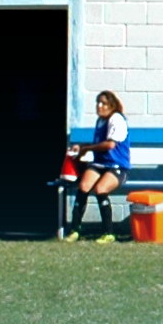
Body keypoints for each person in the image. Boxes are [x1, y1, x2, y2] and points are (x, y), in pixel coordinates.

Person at [63, 90, 134, 241]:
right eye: (98, 102)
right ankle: (75, 230)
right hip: (100, 163)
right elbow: (97, 144)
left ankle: (108, 232)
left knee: (100, 189)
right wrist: (81, 147)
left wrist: (86, 149)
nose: (99, 106)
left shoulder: (117, 119)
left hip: (117, 166)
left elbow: (109, 145)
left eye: (103, 103)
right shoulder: (100, 121)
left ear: (111, 105)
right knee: (83, 187)